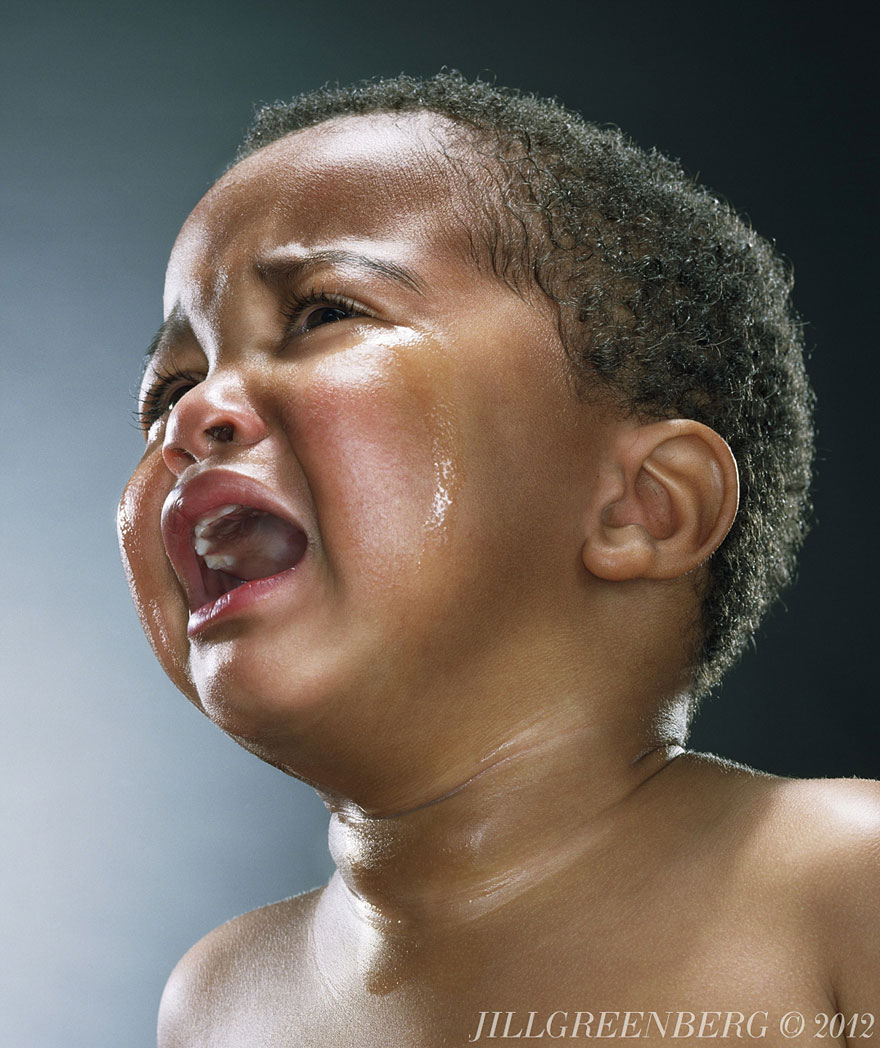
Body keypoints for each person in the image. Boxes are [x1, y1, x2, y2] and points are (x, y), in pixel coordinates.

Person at [117, 72, 879, 1046]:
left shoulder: (841, 887)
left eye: (323, 314)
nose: (191, 415)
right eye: (167, 389)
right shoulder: (220, 1000)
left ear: (642, 507)